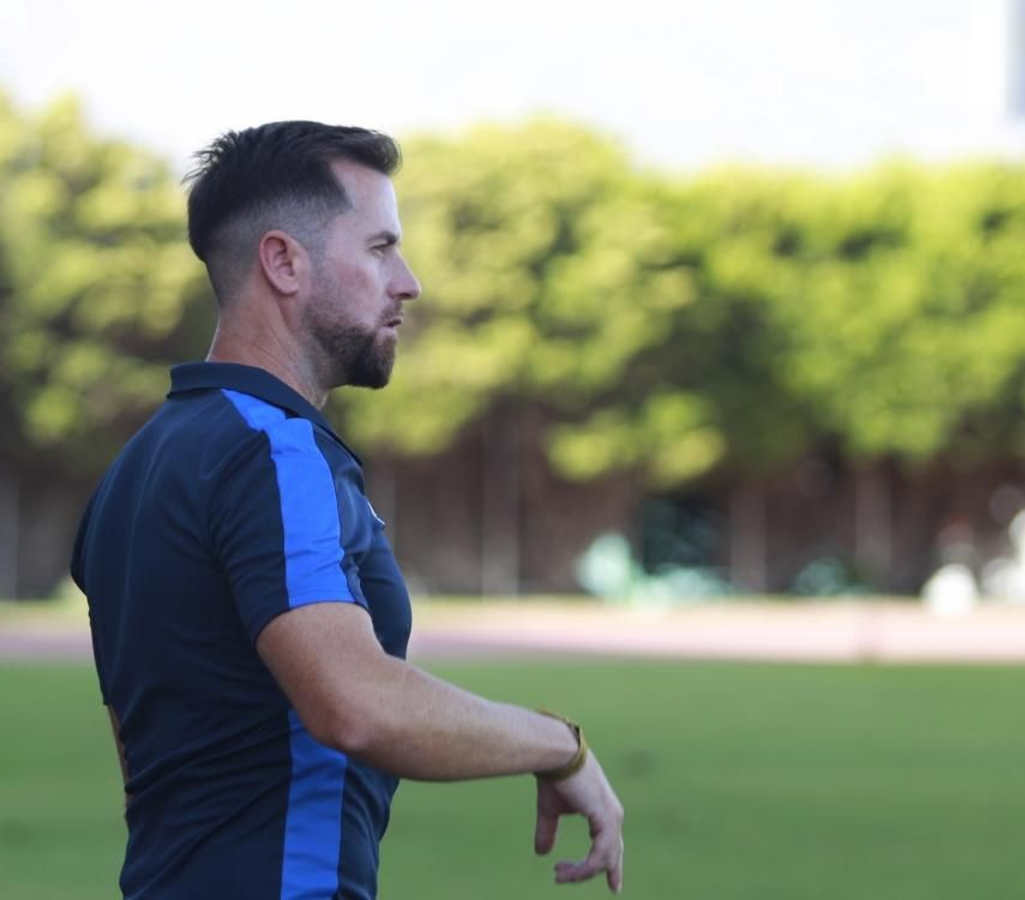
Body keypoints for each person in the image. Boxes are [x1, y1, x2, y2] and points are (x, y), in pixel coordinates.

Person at [70, 121, 625, 899]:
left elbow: (146, 770)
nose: (408, 281)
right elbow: (355, 703)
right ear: (283, 262)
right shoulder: (275, 452)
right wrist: (556, 745)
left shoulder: (134, 469)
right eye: (378, 248)